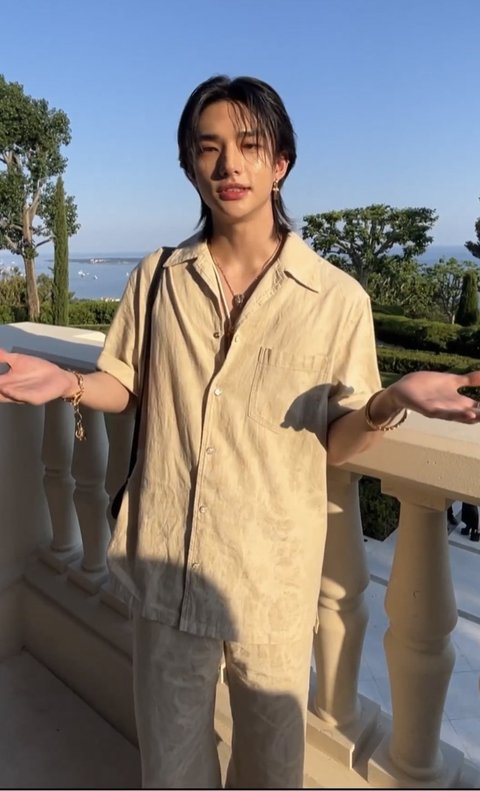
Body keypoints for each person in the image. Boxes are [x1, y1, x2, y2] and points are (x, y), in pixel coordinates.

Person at [0, 75, 480, 789]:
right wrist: (65, 382)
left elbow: (334, 442)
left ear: (281, 161)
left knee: (271, 767)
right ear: (191, 165)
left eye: (249, 145)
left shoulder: (337, 300)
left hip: (271, 579)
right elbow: (126, 384)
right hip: (168, 563)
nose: (229, 164)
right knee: (171, 767)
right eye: (209, 147)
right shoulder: (158, 278)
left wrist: (390, 401)